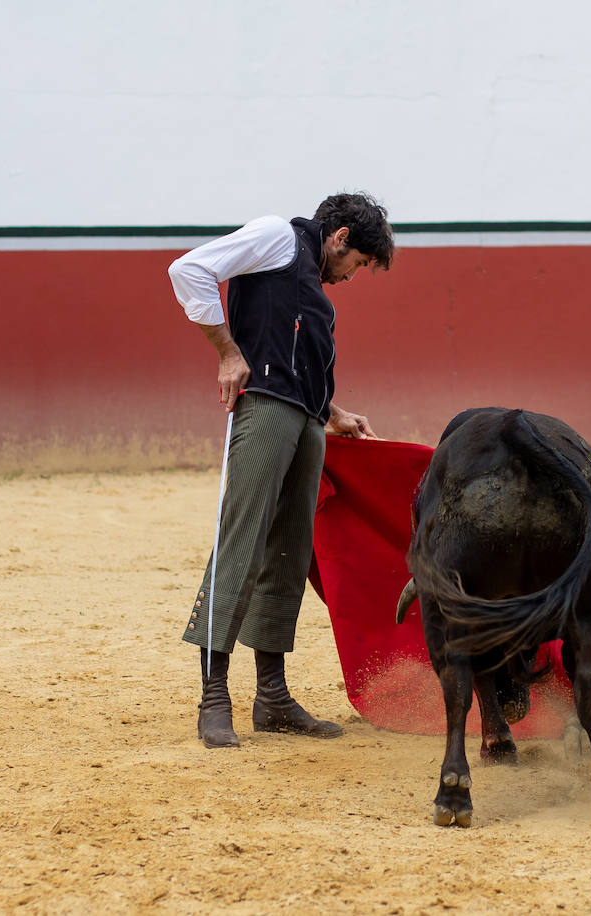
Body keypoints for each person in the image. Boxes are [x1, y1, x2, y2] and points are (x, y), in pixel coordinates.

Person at [167, 192, 395, 748]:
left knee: (292, 553)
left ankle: (271, 696)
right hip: (264, 408)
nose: (353, 275)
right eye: (359, 262)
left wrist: (333, 412)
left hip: (308, 421)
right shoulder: (275, 236)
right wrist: (225, 350)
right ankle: (214, 696)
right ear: (339, 236)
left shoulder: (312, 284)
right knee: (241, 542)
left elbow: (297, 353)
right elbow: (189, 269)